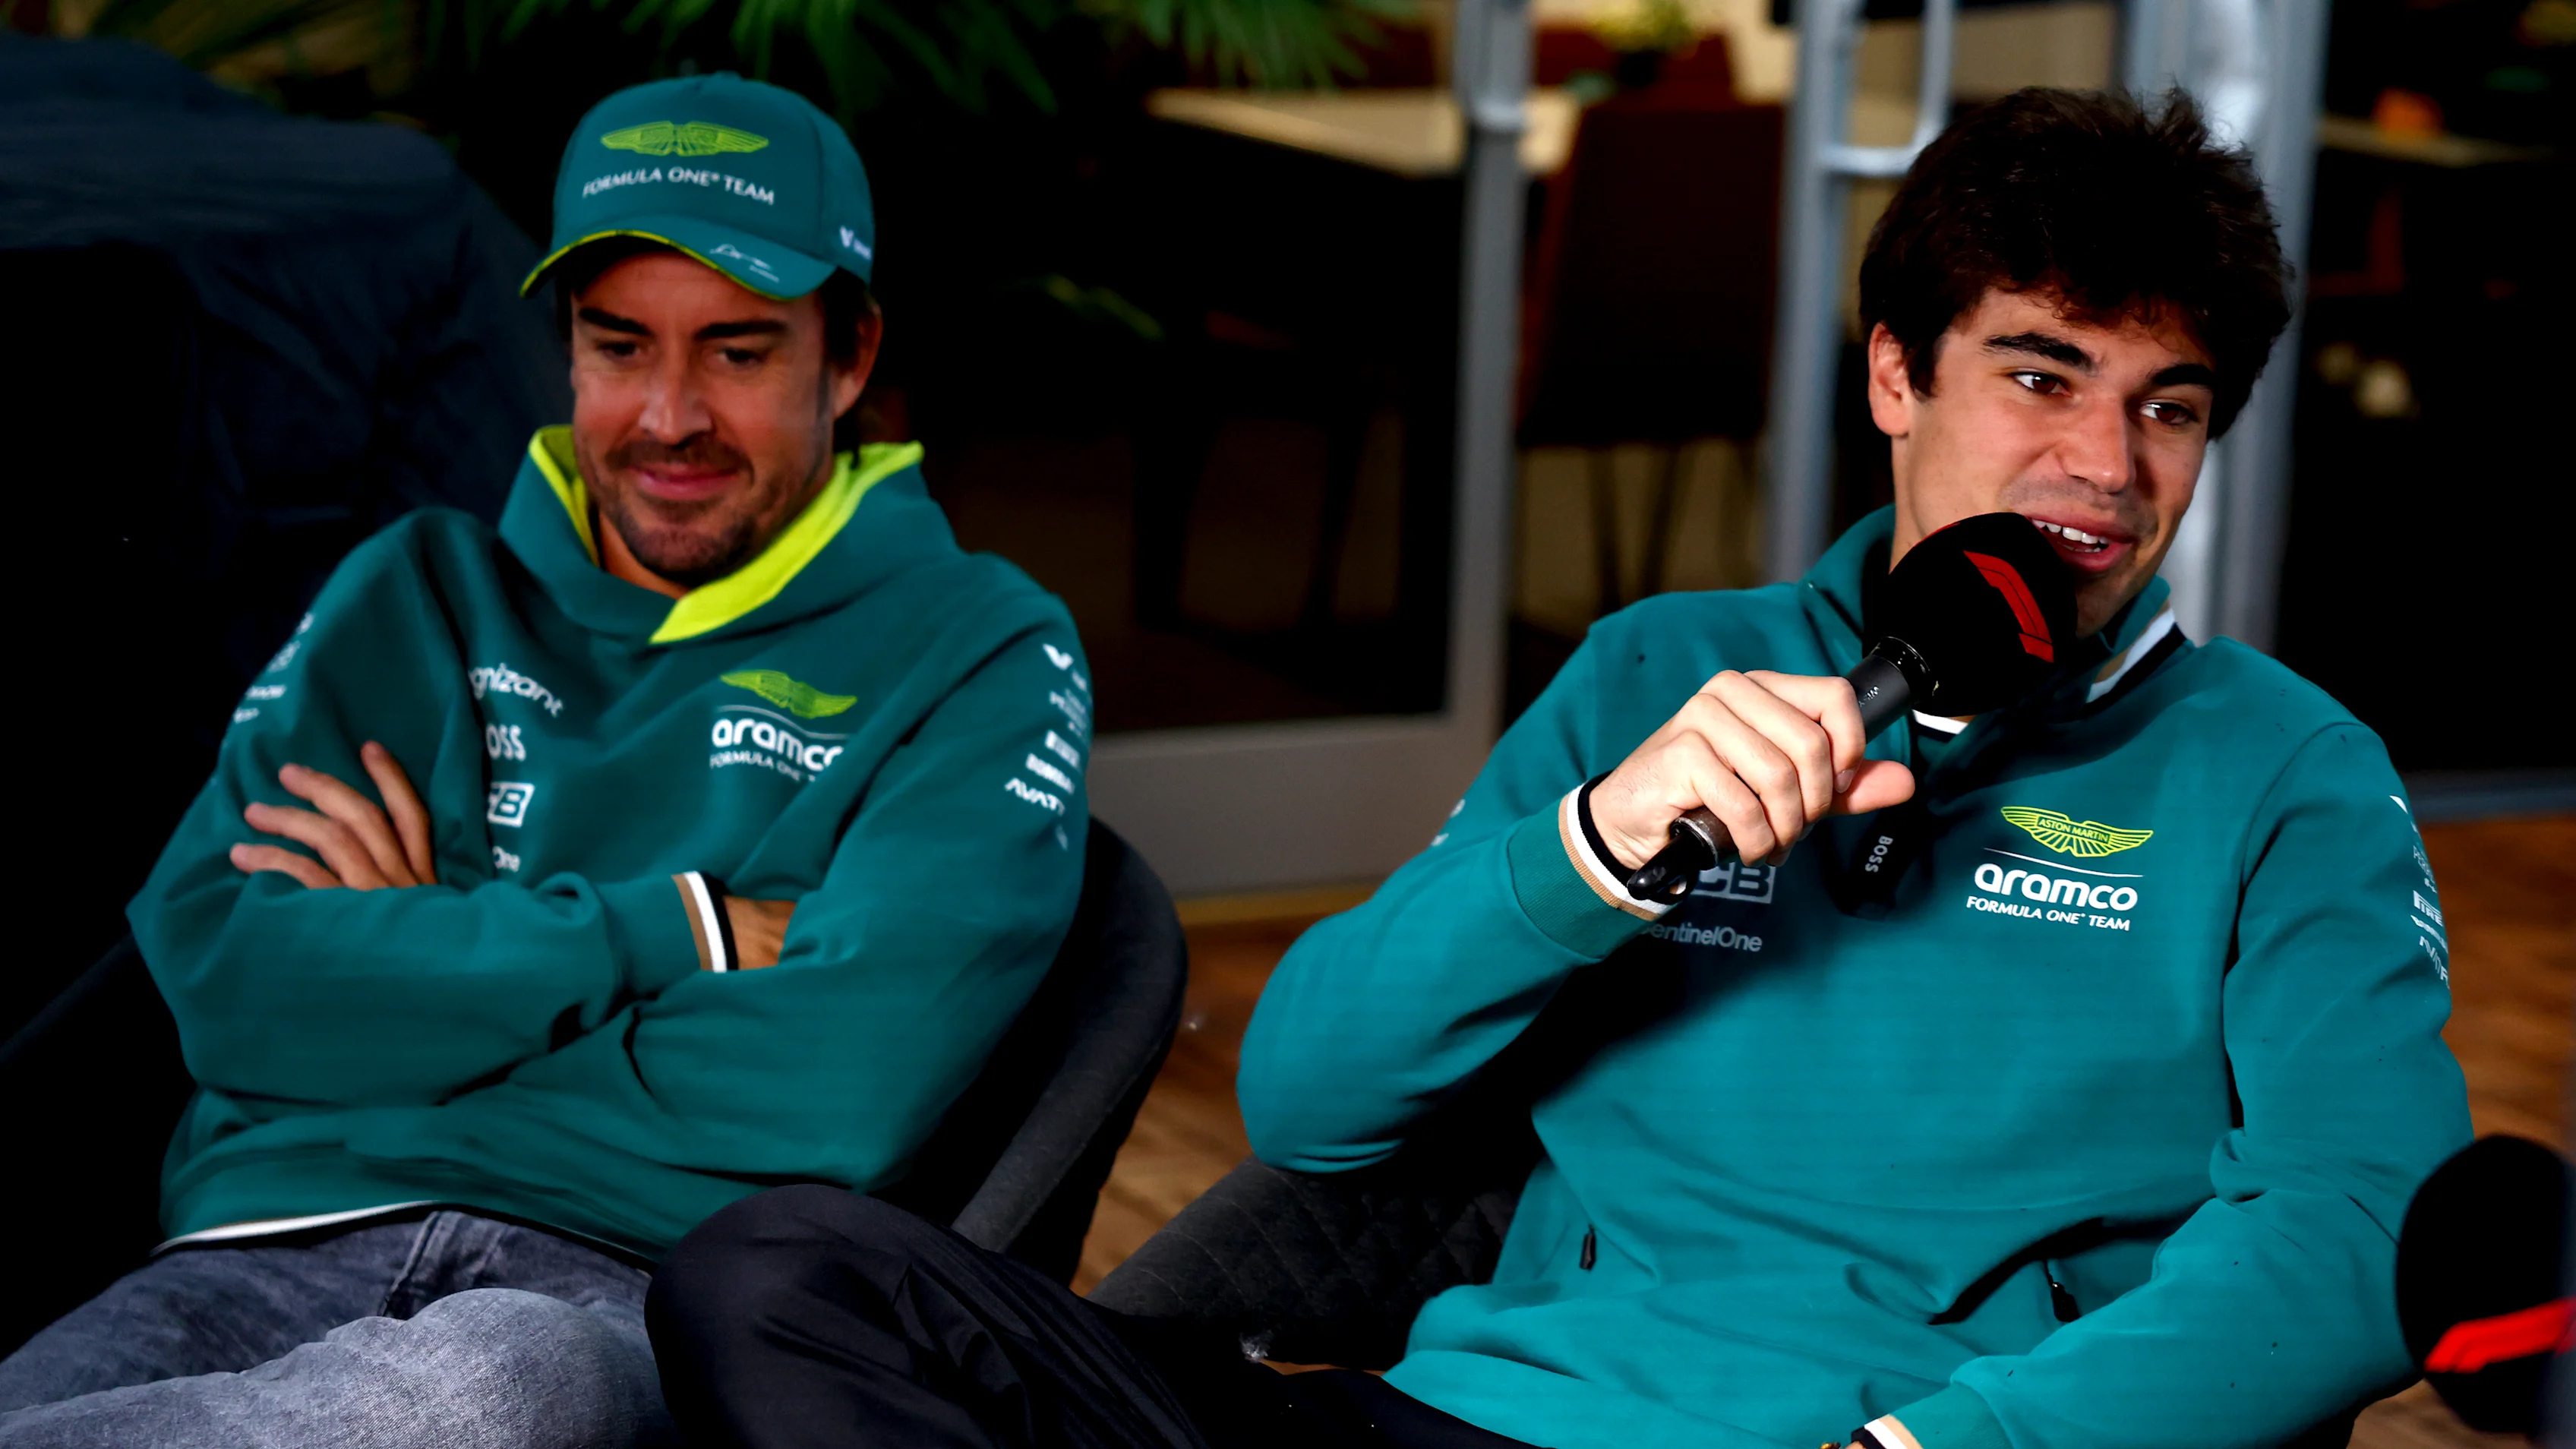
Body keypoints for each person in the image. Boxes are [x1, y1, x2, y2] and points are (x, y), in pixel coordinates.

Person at [642, 87, 2470, 1449]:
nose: (2104, 466)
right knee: (782, 1278)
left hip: (1889, 1435)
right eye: (2043, 377)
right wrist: (1590, 850)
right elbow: (1307, 1101)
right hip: (1468, 1420)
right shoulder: (1659, 673)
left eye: (2167, 407)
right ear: (1897, 377)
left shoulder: (2285, 772)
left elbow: (2362, 1217)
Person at [0, 71, 1093, 1449]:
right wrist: (677, 930)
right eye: (618, 345)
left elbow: (838, 1089)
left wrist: (414, 959)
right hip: (263, 1238)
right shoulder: (413, 589)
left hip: (639, 1286)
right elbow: (229, 984)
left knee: (500, 1382)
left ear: (853, 353)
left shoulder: (983, 649)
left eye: (739, 352)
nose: (667, 416)